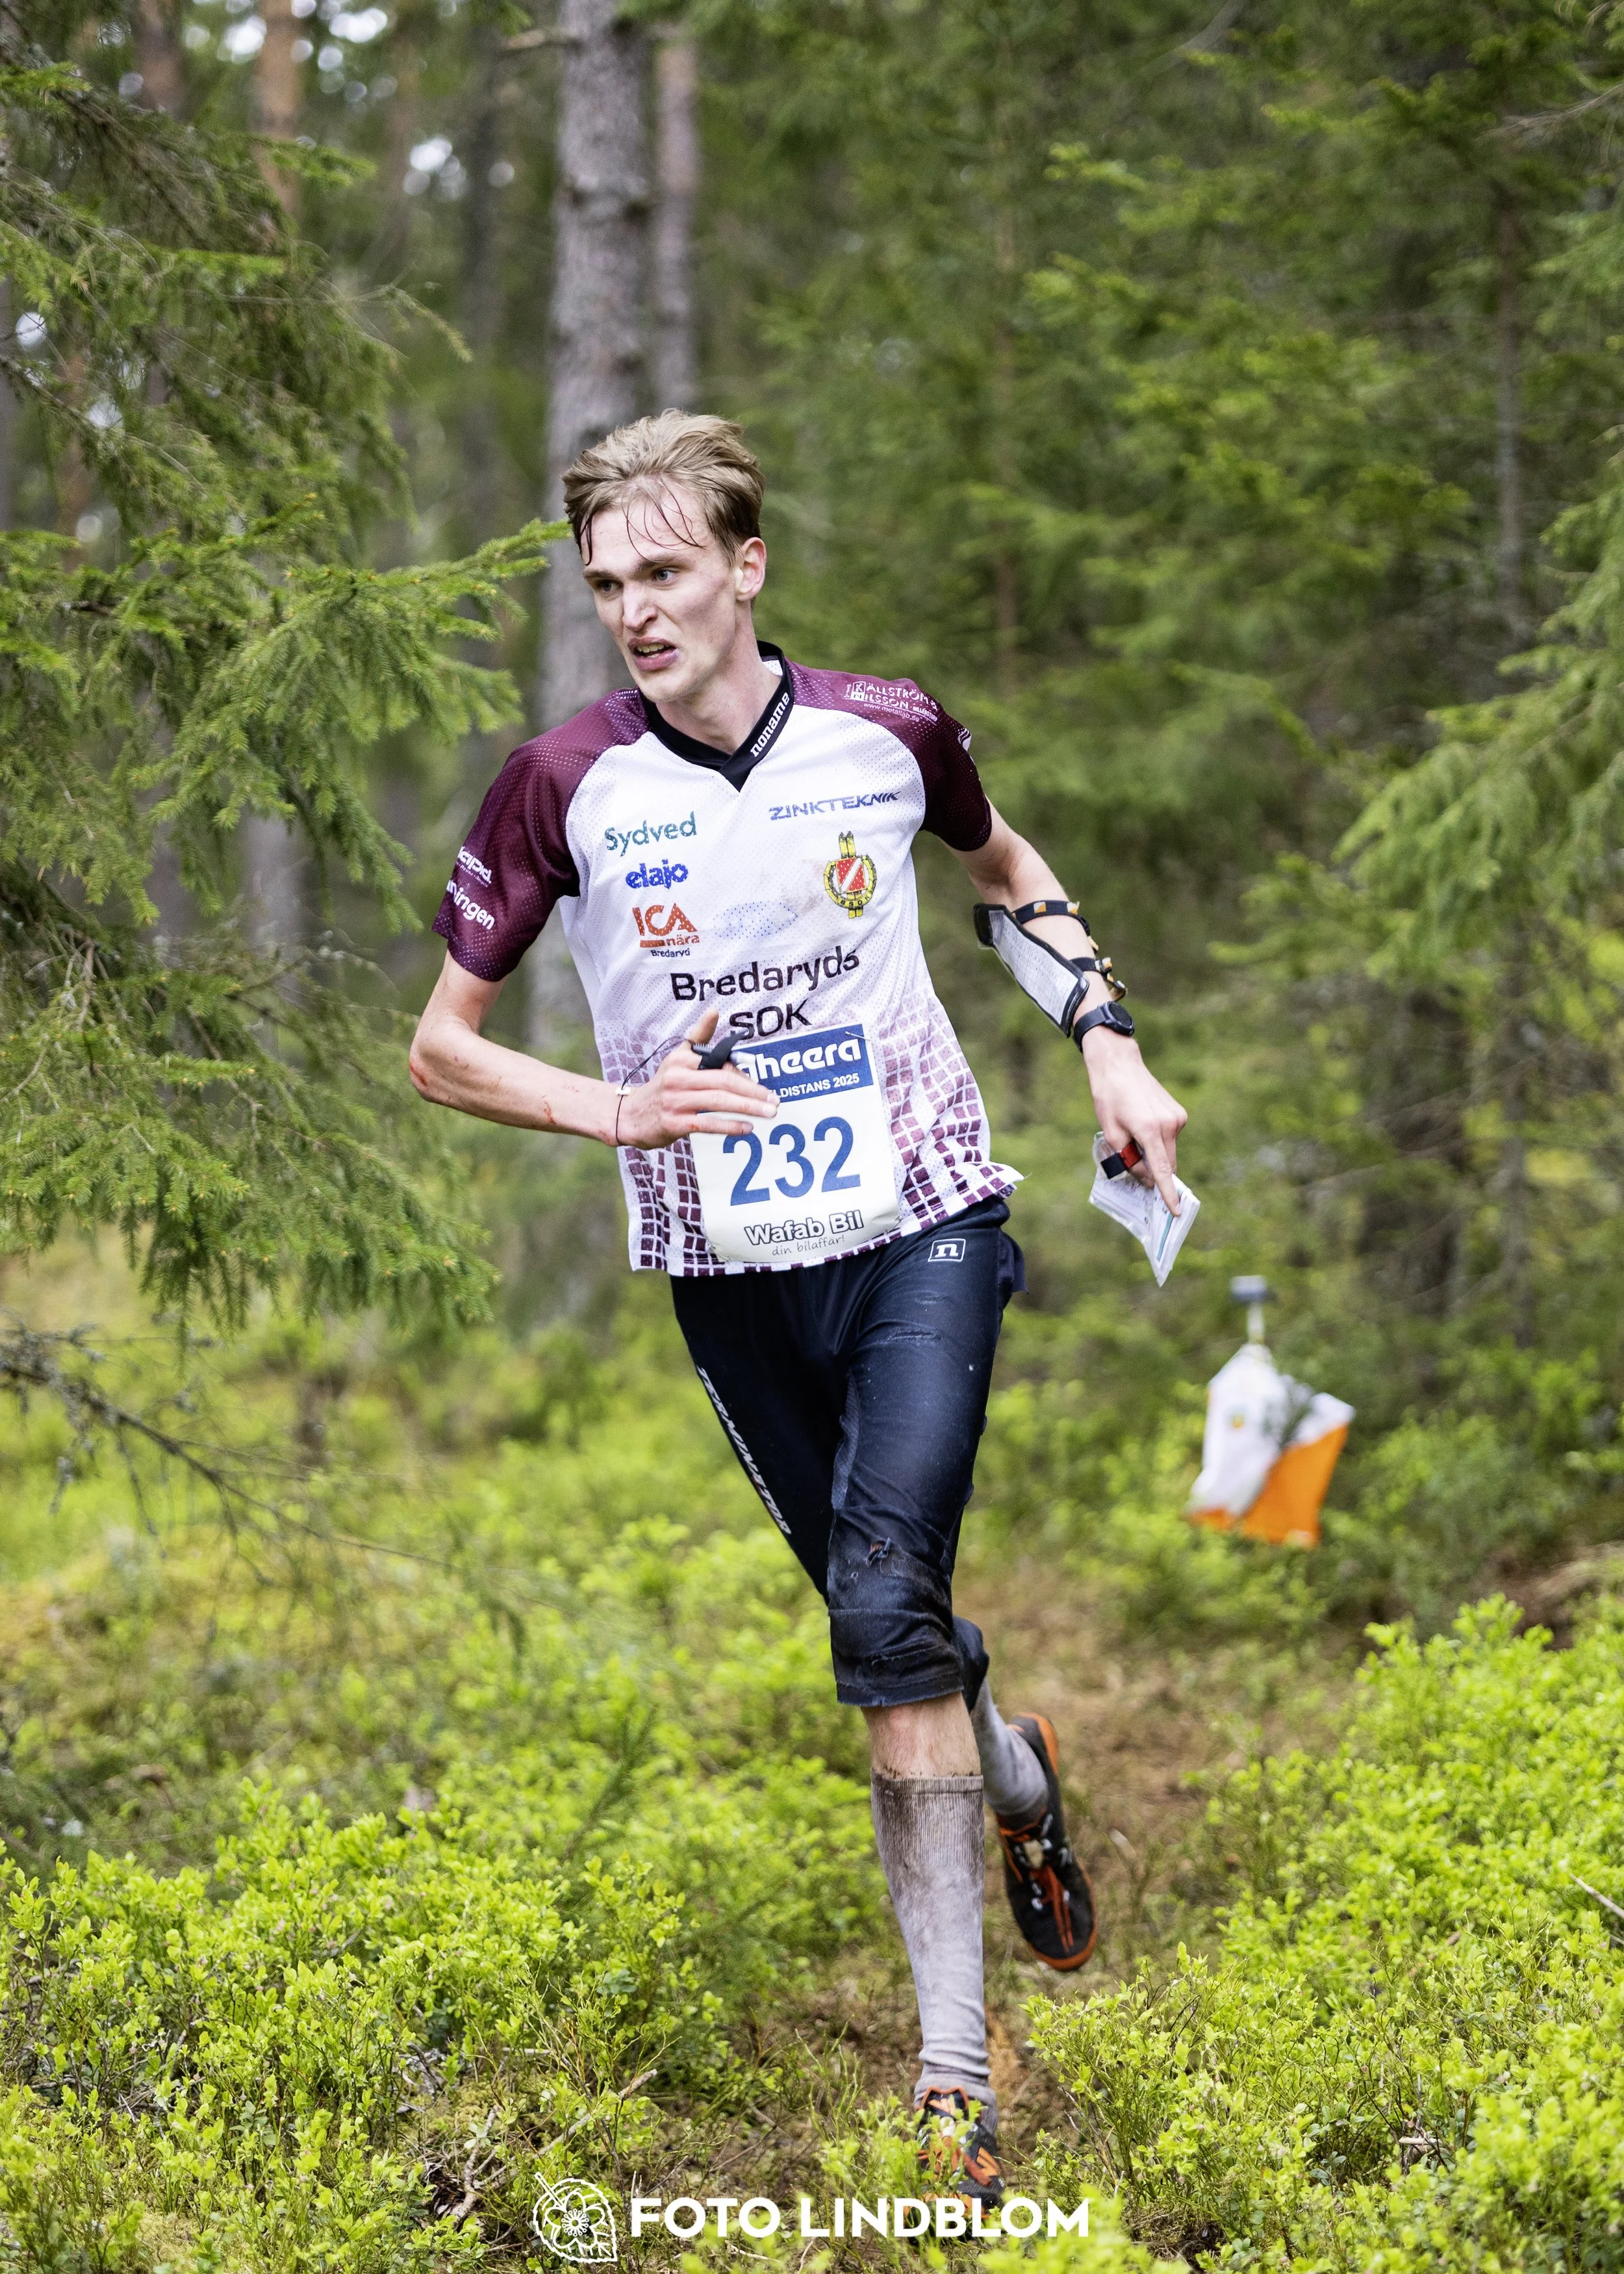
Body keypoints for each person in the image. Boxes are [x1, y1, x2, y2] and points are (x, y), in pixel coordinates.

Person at [409, 411, 1187, 2207]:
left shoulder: (884, 730)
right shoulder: (562, 784)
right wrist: (615, 1108)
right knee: (881, 1614)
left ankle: (950, 2083)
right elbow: (438, 1051)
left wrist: (1110, 1047)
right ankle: (1011, 1770)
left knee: (885, 1604)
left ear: (747, 565)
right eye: (607, 583)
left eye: (666, 571)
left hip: (921, 1218)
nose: (636, 610)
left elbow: (1009, 879)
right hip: (727, 1275)